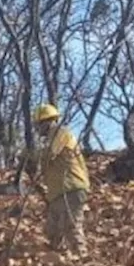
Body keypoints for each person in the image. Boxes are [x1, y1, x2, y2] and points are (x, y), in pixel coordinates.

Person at [27, 103, 89, 253]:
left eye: (38, 125)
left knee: (71, 227)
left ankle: (82, 260)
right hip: (57, 193)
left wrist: (29, 156)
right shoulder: (50, 139)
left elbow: (51, 154)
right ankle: (59, 263)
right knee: (52, 232)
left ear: (46, 122)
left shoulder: (61, 133)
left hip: (71, 188)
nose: (37, 129)